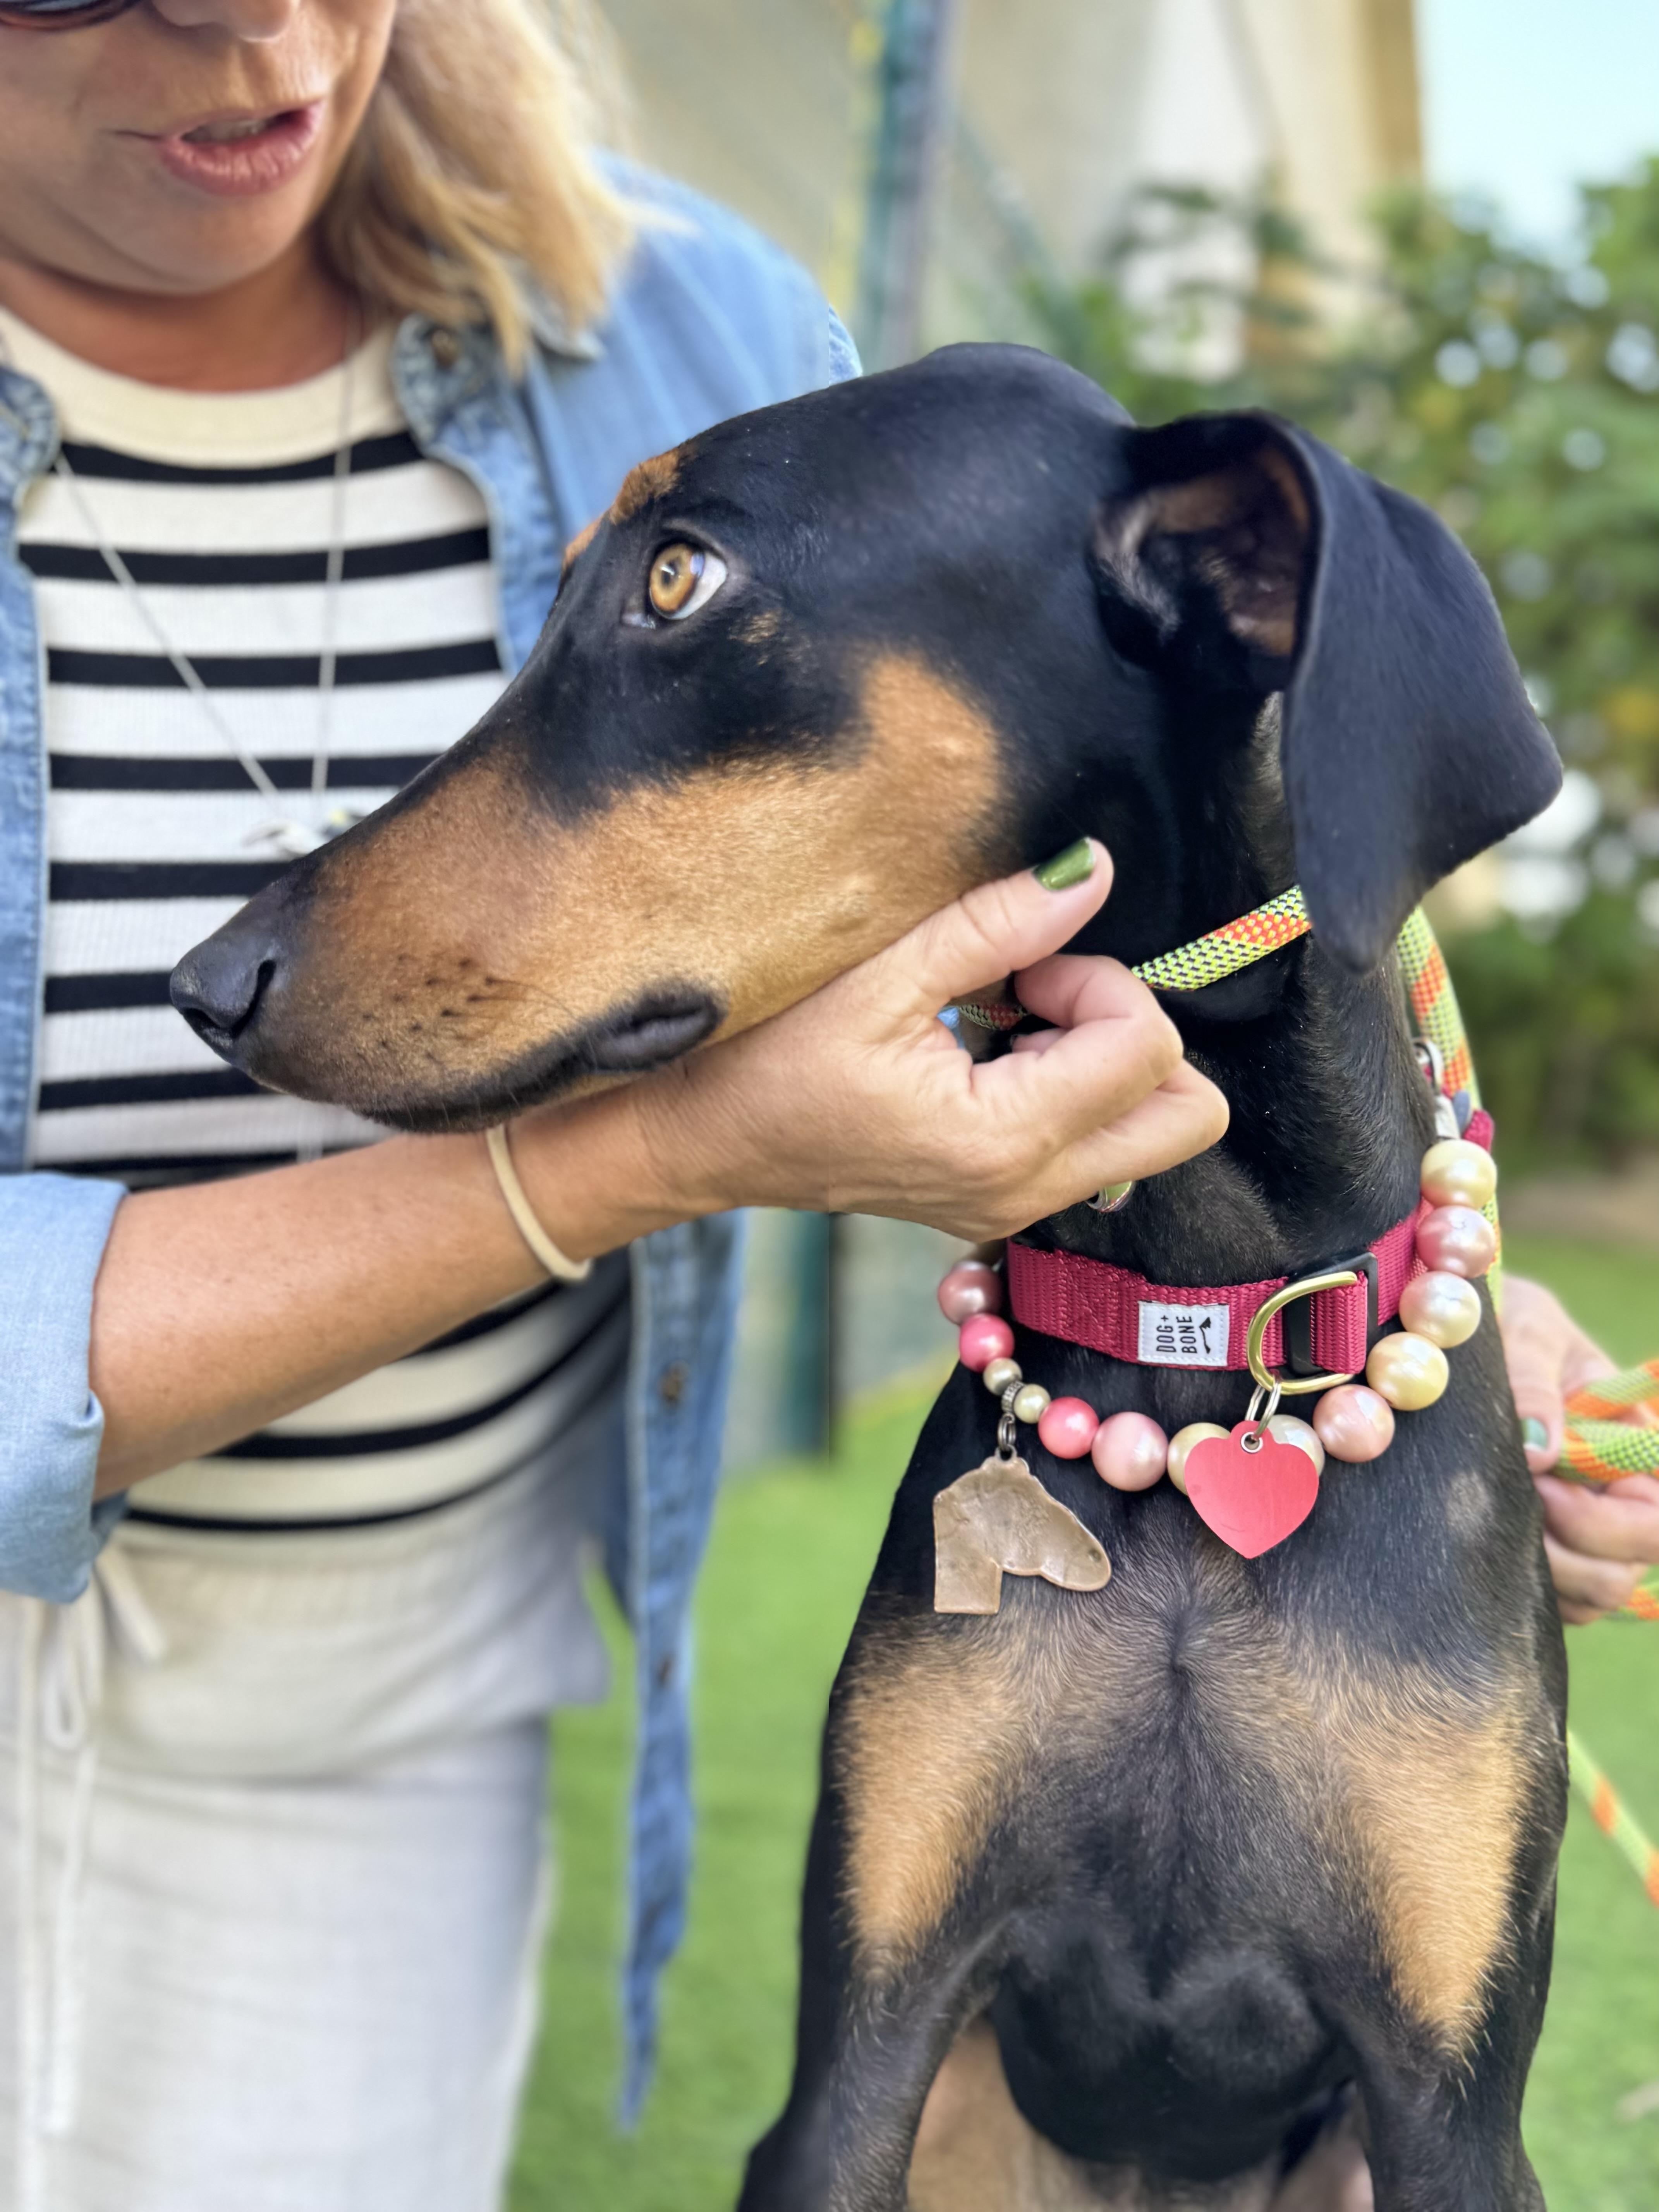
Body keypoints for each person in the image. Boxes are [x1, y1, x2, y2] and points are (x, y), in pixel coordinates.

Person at [0, 5, 1650, 2210]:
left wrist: (1428, 1295)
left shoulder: (692, 318)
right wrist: (657, 1149)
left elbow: (1236, 853)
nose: (247, 26)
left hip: (400, 1715)